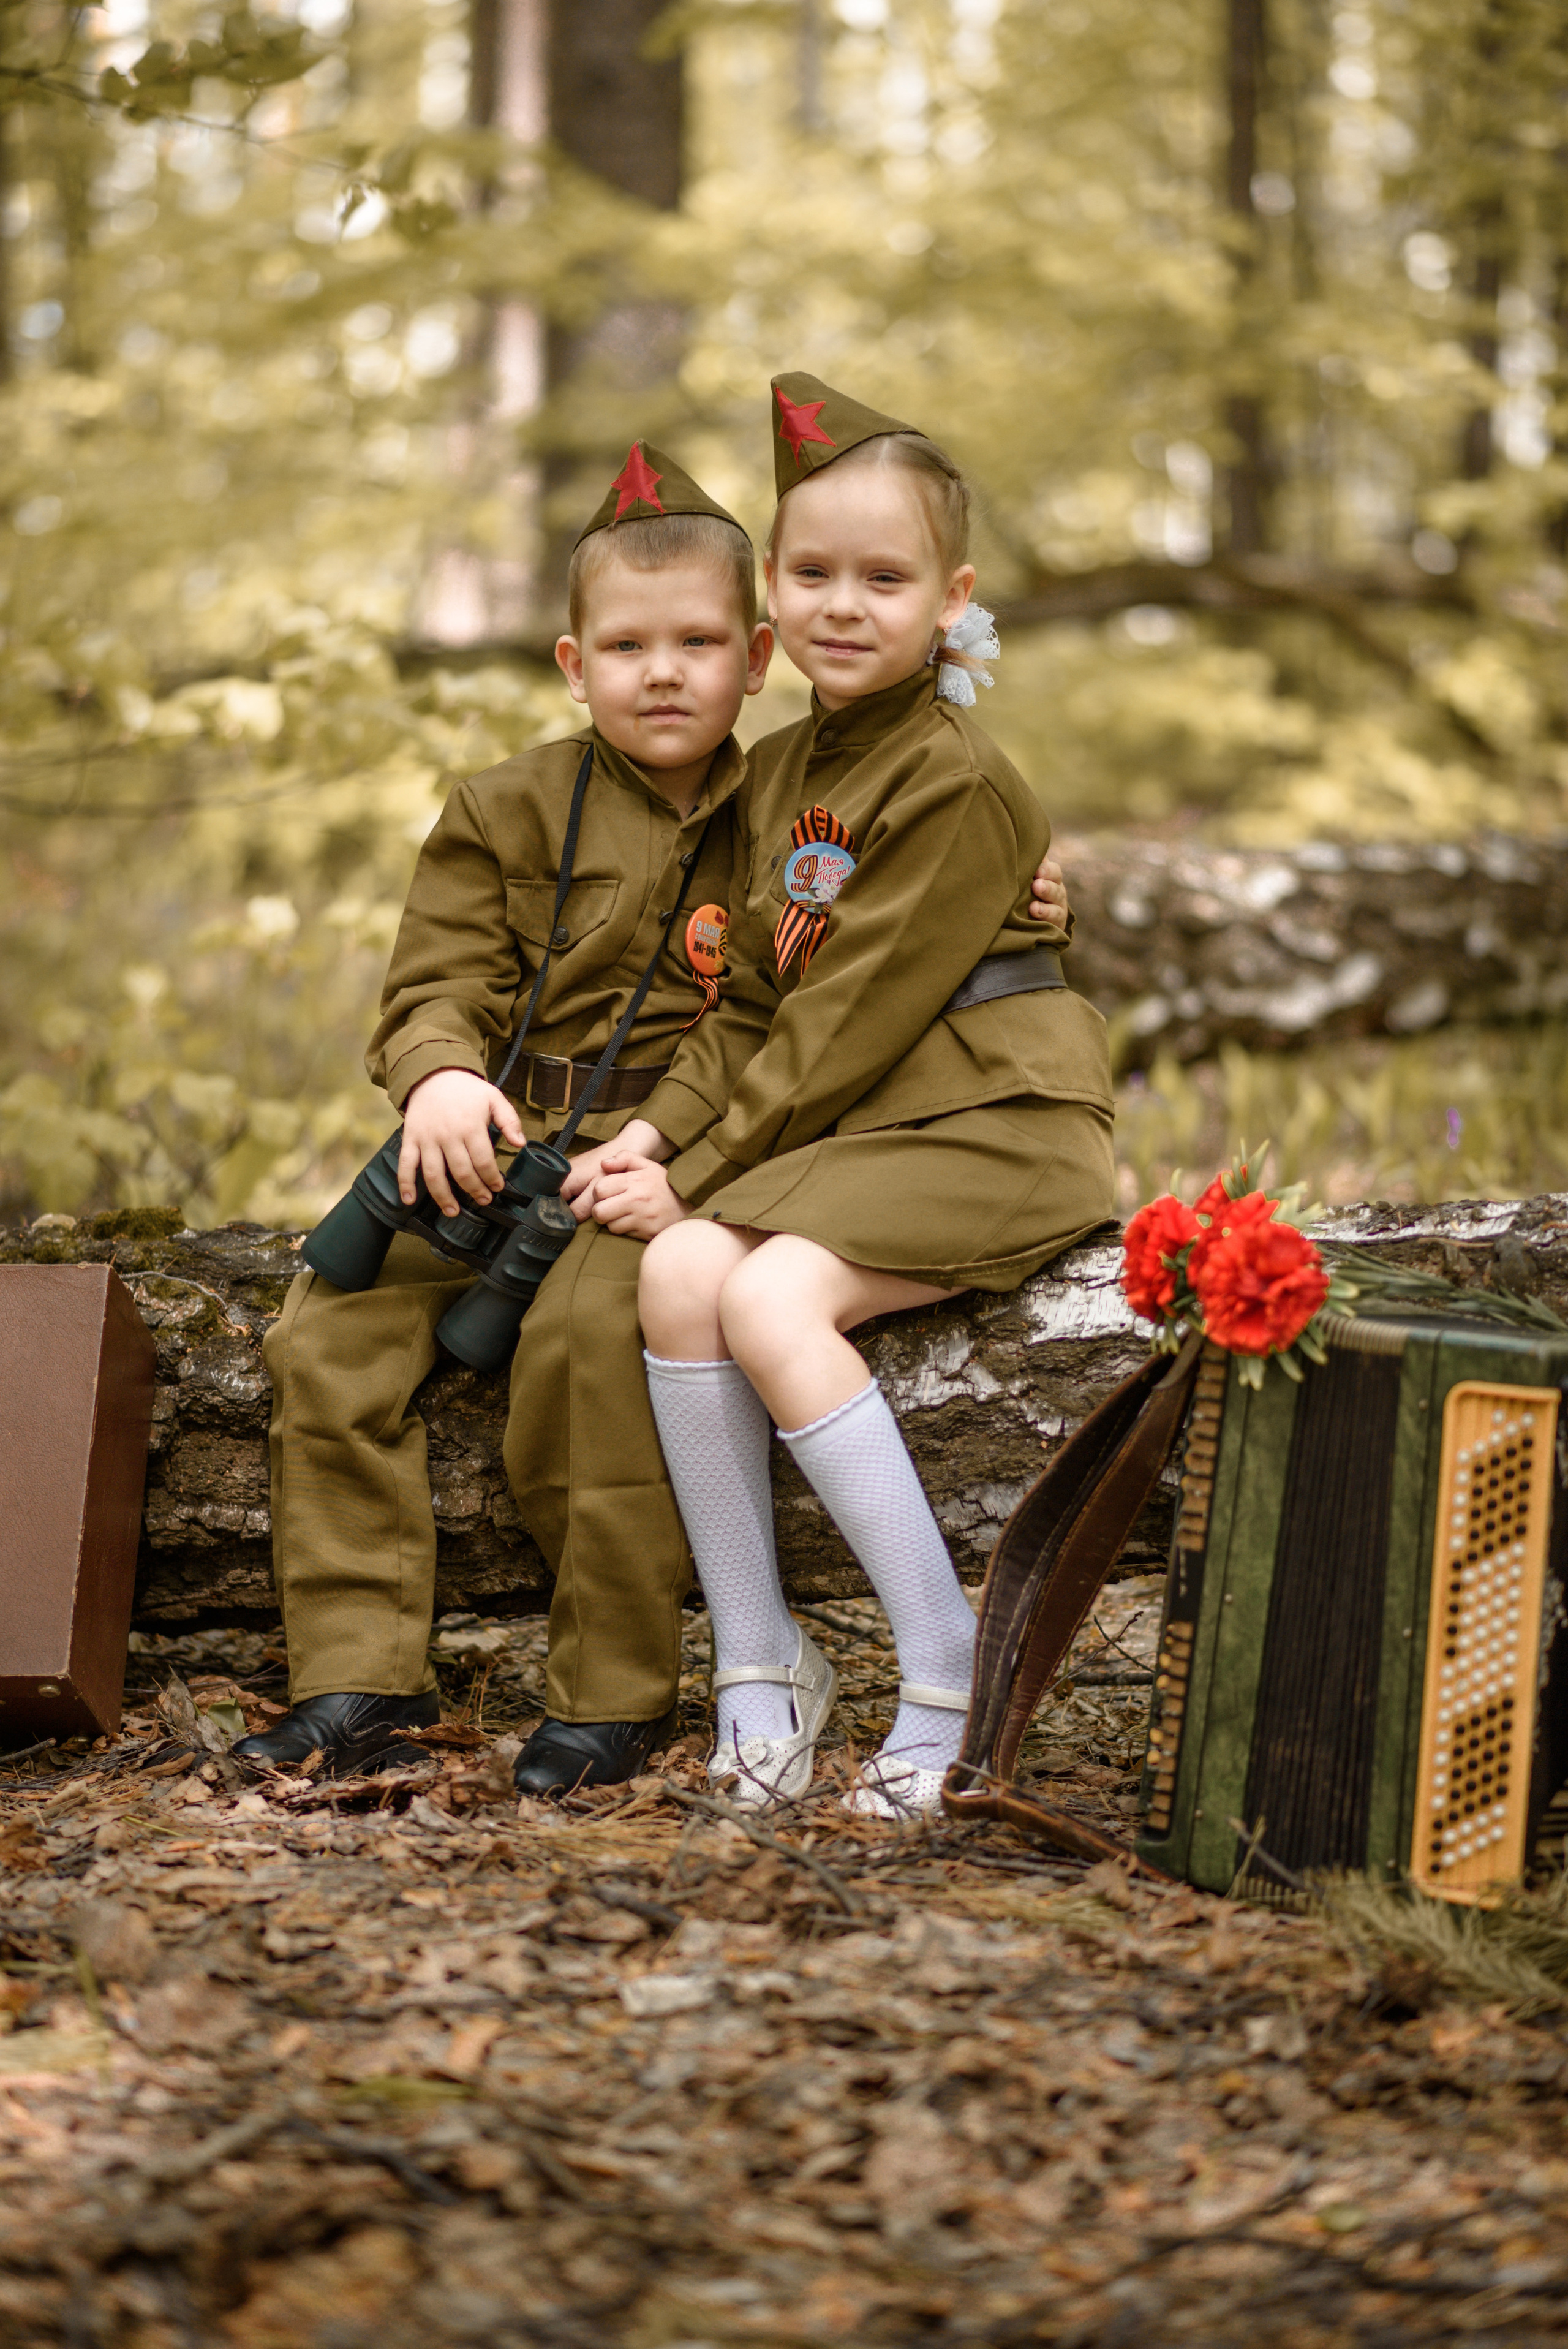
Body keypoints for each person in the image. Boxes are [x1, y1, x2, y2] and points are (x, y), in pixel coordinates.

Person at [234, 444, 772, 1779]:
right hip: (499, 1142)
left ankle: (614, 1689)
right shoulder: (504, 807)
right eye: (628, 644)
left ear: (757, 657)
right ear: (571, 662)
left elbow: (917, 900)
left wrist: (1036, 885)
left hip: (673, 1162)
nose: (663, 672)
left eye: (698, 641)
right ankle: (363, 1680)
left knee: (588, 1353)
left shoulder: (800, 811)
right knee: (330, 1335)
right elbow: (436, 978)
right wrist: (439, 1075)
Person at [622, 374, 1117, 1817]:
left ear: (951, 599)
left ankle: (950, 1670)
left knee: (769, 1298)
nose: (845, 605)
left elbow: (842, 1027)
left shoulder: (952, 778)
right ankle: (763, 1671)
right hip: (877, 1118)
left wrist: (696, 1167)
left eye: (883, 578)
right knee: (679, 1278)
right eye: (814, 573)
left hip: (998, 1124)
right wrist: (654, 1142)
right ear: (773, 596)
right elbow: (756, 1003)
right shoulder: (781, 770)